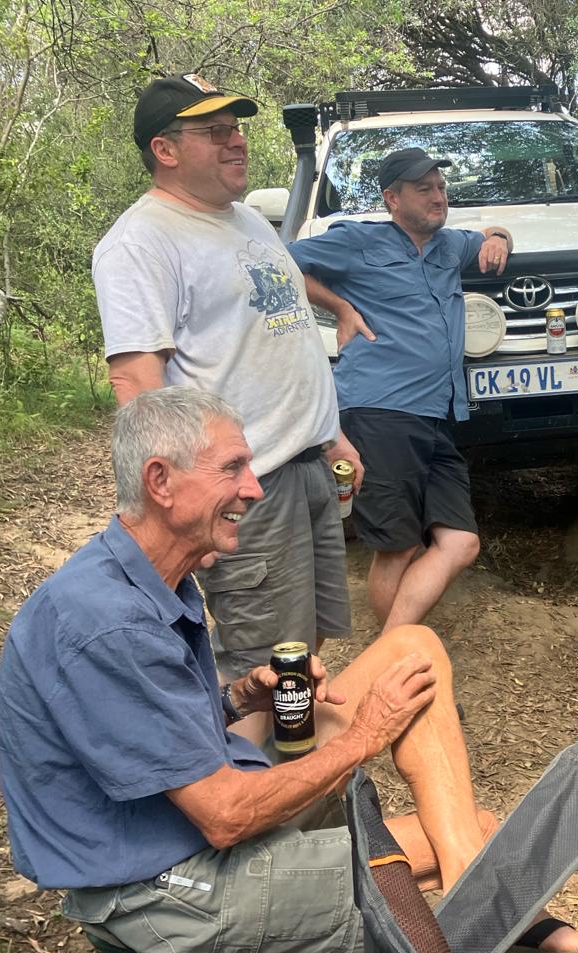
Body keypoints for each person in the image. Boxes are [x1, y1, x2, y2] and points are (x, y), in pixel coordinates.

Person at [0, 387, 578, 953]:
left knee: (411, 648)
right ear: (161, 481)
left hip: (185, 823)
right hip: (160, 893)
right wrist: (364, 737)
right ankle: (483, 905)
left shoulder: (145, 577)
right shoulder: (110, 623)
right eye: (233, 468)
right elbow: (225, 816)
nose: (254, 488)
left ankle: (475, 892)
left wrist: (239, 699)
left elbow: (144, 730)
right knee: (471, 834)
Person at [91, 73, 361, 705]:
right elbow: (138, 383)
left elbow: (278, 338)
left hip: (306, 468)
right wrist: (172, 510)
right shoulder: (140, 242)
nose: (236, 141)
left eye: (235, 128)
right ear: (164, 149)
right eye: (214, 132)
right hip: (245, 489)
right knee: (261, 666)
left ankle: (290, 762)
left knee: (306, 647)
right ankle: (239, 768)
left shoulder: (246, 222)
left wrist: (332, 437)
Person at [288, 149, 513, 632]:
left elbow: (494, 233)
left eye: (441, 188)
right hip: (378, 410)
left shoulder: (449, 246)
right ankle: (397, 660)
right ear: (392, 198)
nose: (438, 197)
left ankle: (392, 652)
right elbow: (280, 263)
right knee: (397, 547)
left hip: (436, 413)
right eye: (424, 189)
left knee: (461, 542)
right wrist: (340, 307)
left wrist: (498, 238)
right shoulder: (358, 241)